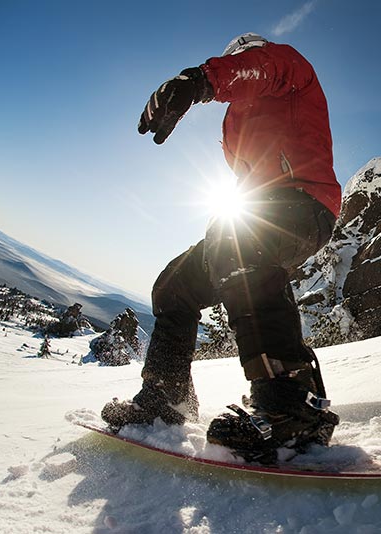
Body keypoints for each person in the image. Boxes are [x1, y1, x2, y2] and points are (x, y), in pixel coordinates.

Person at [102, 33, 341, 461]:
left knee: (241, 247)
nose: (242, 62)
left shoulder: (285, 69)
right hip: (257, 212)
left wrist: (198, 82)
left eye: (243, 58)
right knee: (175, 285)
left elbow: (260, 69)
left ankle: (291, 406)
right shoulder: (234, 120)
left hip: (305, 205)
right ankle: (165, 397)